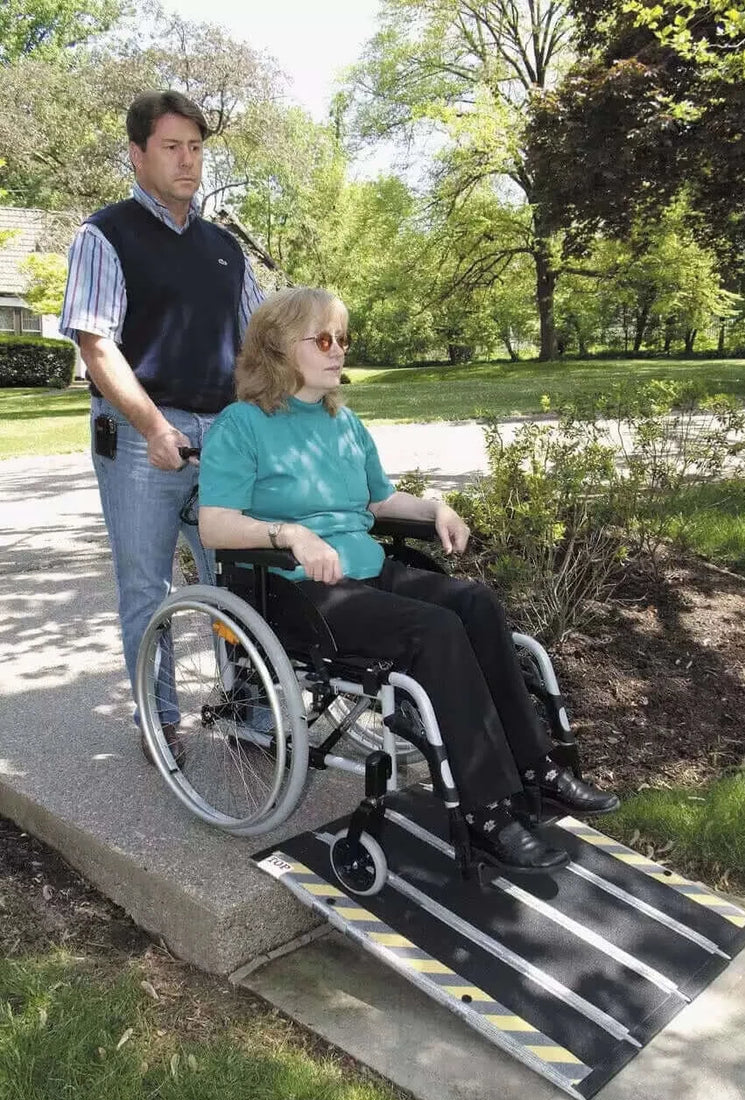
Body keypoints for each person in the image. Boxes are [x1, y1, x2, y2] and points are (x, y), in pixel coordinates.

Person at [198, 287, 619, 871]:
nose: (339, 350)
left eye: (343, 338)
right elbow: (216, 524)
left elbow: (382, 499)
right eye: (324, 339)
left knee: (474, 602)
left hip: (366, 570)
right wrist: (289, 534)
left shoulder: (343, 423)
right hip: (297, 588)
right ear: (277, 348)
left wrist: (436, 509)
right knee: (435, 630)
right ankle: (487, 811)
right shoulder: (241, 426)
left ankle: (536, 770)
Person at [59, 90, 264, 762]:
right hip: (143, 437)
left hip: (223, 434)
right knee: (148, 587)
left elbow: (258, 344)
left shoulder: (225, 249)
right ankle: (160, 719)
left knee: (237, 578)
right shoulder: (105, 234)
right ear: (137, 153)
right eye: (171, 146)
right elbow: (96, 345)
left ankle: (245, 706)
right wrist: (152, 427)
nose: (187, 160)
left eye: (196, 147)